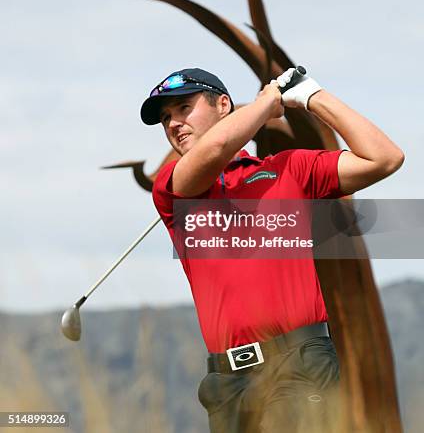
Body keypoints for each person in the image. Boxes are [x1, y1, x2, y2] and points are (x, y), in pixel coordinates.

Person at [140, 67, 404, 433]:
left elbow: (384, 158)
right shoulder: (171, 185)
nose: (173, 123)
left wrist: (312, 96)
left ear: (223, 105)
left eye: (184, 107)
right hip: (226, 381)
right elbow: (215, 149)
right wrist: (268, 103)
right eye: (166, 117)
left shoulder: (289, 169)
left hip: (299, 363)